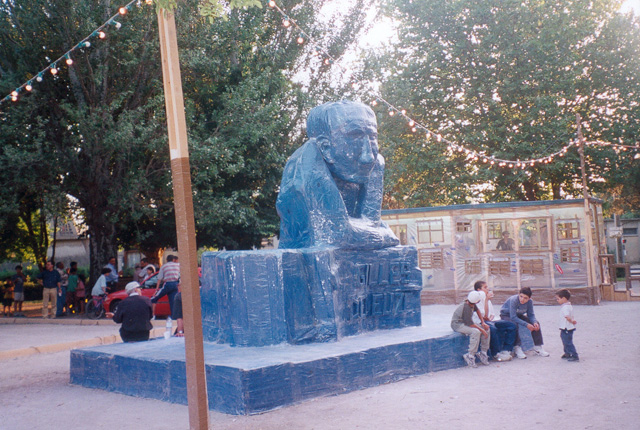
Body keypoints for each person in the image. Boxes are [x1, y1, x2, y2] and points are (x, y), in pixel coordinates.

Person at [276, 100, 399, 250]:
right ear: (325, 148)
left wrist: (363, 233)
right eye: (355, 138)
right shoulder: (308, 158)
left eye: (373, 137)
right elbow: (337, 235)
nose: (369, 157)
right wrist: (386, 236)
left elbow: (371, 223)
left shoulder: (374, 162)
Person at [499, 287, 550, 358]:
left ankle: (537, 346)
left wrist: (534, 322)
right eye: (521, 296)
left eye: (525, 298)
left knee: (536, 323)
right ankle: (517, 347)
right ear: (518, 294)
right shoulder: (514, 300)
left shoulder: (530, 302)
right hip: (507, 315)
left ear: (529, 298)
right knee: (514, 325)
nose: (522, 299)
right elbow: (513, 317)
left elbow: (531, 315)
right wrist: (526, 325)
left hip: (518, 315)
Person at [472, 281, 515, 361]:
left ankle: (506, 350)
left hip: (490, 321)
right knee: (493, 329)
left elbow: (491, 314)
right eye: (485, 287)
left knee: (511, 325)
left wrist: (490, 318)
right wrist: (486, 300)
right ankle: (495, 353)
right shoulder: (477, 301)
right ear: (478, 290)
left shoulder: (487, 299)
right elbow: (483, 316)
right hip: (480, 322)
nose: (488, 289)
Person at [451, 291, 491, 368]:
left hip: (465, 323)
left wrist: (483, 323)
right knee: (476, 332)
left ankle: (483, 352)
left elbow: (478, 311)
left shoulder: (471, 303)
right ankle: (470, 355)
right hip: (458, 325)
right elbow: (470, 324)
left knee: (486, 329)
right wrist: (481, 330)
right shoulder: (466, 307)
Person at [556, 289, 579, 362]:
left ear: (563, 298)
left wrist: (572, 321)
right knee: (565, 340)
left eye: (558, 299)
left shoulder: (565, 307)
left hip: (566, 328)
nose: (557, 300)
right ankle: (567, 353)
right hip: (566, 327)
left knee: (568, 342)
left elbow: (567, 317)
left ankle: (574, 355)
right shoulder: (568, 305)